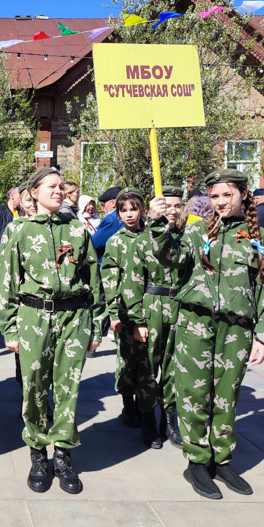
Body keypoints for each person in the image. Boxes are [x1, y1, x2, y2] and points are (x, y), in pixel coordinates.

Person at [148, 169, 264, 500]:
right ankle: (196, 461)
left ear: (243, 195)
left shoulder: (259, 236)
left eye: (227, 194)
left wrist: (263, 335)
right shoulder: (197, 233)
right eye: (215, 196)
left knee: (226, 394)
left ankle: (221, 459)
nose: (221, 202)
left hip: (236, 329)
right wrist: (159, 224)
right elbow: (172, 259)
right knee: (192, 392)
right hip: (196, 322)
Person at [0, 166, 103, 494]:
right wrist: (9, 328)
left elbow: (92, 281)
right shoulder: (18, 231)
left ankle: (63, 455)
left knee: (67, 389)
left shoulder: (78, 230)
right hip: (33, 317)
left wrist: (97, 326)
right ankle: (38, 454)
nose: (58, 191)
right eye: (51, 187)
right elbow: (7, 282)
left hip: (74, 319)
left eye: (61, 187)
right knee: (34, 388)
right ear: (34, 193)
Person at [101, 188, 161, 447]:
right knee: (128, 362)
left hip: (154, 310)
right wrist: (114, 314)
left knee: (149, 365)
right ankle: (129, 405)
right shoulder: (116, 241)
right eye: (123, 210)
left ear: (142, 210)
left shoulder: (152, 236)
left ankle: (148, 414)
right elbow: (109, 281)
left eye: (133, 209)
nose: (129, 215)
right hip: (126, 313)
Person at [129, 186, 185, 448]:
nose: (171, 211)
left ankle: (170, 419)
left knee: (175, 368)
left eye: (176, 206)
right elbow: (132, 284)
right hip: (152, 306)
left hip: (181, 307)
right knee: (148, 368)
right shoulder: (142, 241)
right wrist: (138, 320)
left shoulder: (188, 240)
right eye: (166, 206)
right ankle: (148, 418)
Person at [91, 186, 122, 261]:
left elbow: (93, 244)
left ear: (112, 203)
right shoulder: (134, 215)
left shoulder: (112, 219)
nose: (104, 207)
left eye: (104, 203)